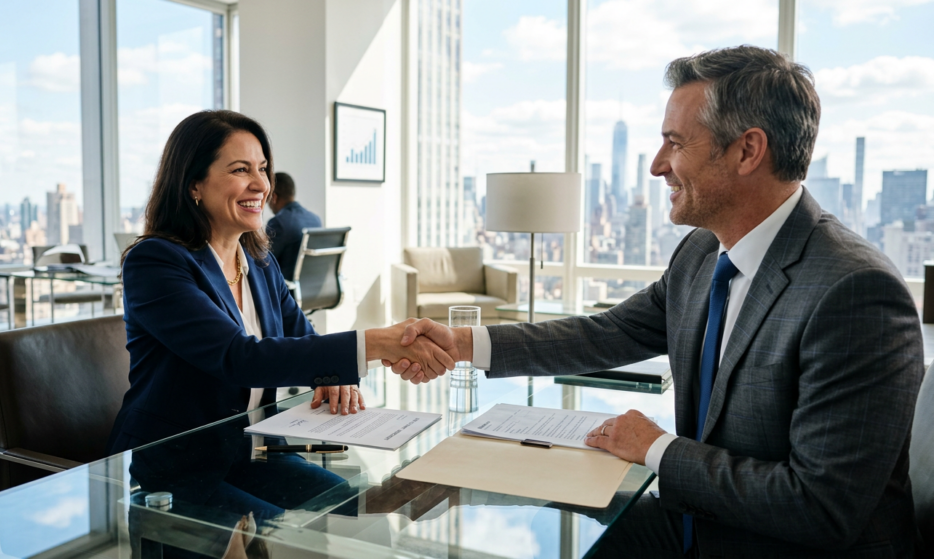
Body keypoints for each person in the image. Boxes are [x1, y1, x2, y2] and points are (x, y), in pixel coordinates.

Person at [390, 46, 923, 558]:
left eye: (675, 142)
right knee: (534, 527)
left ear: (747, 150)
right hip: (701, 521)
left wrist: (656, 448)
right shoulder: (700, 253)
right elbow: (606, 334)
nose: (656, 165)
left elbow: (820, 508)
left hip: (780, 546)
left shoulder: (855, 292)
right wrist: (460, 344)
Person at [106, 110, 454, 533]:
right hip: (177, 467)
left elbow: (302, 337)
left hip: (252, 454)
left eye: (263, 169)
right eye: (240, 170)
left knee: (375, 505)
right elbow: (238, 358)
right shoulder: (156, 261)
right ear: (193, 184)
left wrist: (332, 374)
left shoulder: (259, 260)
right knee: (307, 538)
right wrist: (377, 343)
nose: (261, 185)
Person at [265, 172, 322, 281]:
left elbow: (264, 263)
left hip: (286, 291)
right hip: (313, 288)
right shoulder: (316, 219)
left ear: (274, 197)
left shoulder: (278, 223)